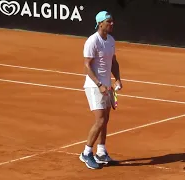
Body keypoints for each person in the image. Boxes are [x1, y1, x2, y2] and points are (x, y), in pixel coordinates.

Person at [79, 10, 123, 170]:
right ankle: (86, 153)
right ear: (100, 23)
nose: (112, 24)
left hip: (107, 86)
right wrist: (99, 85)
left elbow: (114, 62)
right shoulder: (92, 41)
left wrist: (117, 78)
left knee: (105, 120)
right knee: (100, 120)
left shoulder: (110, 40)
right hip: (94, 86)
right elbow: (87, 66)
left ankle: (101, 152)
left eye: (112, 21)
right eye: (109, 21)